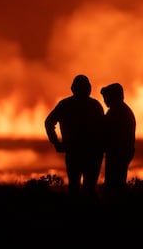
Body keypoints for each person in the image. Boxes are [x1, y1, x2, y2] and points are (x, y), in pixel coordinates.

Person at [44, 74, 105, 202]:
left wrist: (56, 143)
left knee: (74, 188)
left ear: (73, 88)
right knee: (89, 189)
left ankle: (73, 215)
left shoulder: (65, 105)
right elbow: (104, 129)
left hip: (74, 152)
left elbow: (49, 122)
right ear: (89, 88)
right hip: (92, 154)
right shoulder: (95, 105)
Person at [100, 82, 136, 203]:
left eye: (106, 98)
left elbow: (106, 131)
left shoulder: (117, 112)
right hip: (121, 153)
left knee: (113, 185)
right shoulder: (121, 110)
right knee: (117, 183)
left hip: (118, 154)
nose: (104, 101)